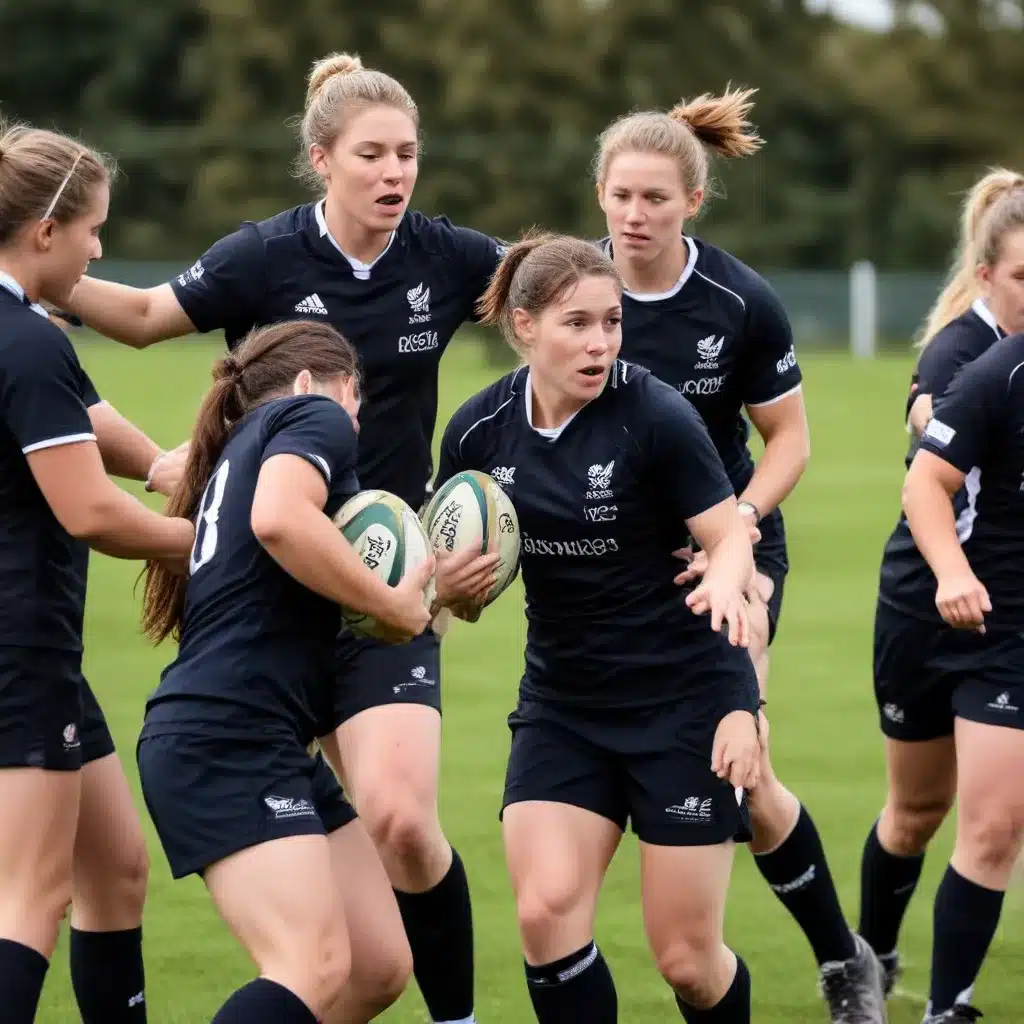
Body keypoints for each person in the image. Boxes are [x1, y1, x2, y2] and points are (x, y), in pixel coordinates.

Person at [57, 52, 504, 1024]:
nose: (395, 173)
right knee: (315, 953)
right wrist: (39, 278)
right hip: (281, 587)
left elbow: (556, 301)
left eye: (409, 155)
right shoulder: (266, 256)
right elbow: (139, 318)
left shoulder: (448, 255)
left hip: (390, 572)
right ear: (321, 158)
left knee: (398, 825)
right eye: (373, 154)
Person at [592, 90, 886, 1021]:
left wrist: (741, 529)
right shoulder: (575, 294)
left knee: (736, 756)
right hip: (615, 571)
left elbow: (789, 439)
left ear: (693, 200)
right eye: (620, 197)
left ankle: (838, 970)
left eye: (655, 199)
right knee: (752, 783)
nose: (636, 217)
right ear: (598, 195)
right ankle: (846, 958)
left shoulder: (737, 301)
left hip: (733, 560)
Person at [432, 231, 763, 1024]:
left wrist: (737, 674)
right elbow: (445, 580)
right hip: (563, 707)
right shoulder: (479, 431)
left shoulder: (654, 415)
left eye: (612, 322)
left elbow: (731, 539)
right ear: (523, 327)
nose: (600, 343)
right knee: (545, 915)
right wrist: (443, 596)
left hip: (685, 704)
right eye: (577, 324)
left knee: (687, 961)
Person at [136, 319, 447, 1024]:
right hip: (225, 736)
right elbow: (281, 519)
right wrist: (392, 609)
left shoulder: (239, 449)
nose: (355, 423)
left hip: (261, 736)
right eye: (356, 404)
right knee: (311, 964)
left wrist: (427, 587)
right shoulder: (312, 413)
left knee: (375, 965)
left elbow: (304, 551)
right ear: (316, 384)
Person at [0, 122, 196, 1024]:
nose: (99, 247)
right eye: (91, 229)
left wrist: (164, 464)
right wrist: (223, 538)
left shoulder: (26, 333)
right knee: (28, 900)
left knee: (113, 871)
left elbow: (82, 414)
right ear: (45, 231)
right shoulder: (27, 346)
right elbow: (89, 512)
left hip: (40, 660)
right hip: (19, 653)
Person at [859, 173, 1024, 1017]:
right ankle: (869, 959)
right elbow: (929, 425)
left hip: (1007, 620)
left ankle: (947, 1003)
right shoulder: (968, 352)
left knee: (992, 822)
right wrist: (944, 414)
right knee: (915, 810)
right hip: (926, 606)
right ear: (986, 273)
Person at [897, 317, 1024, 1023]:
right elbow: (925, 485)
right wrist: (951, 574)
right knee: (994, 826)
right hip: (1007, 629)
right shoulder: (1000, 373)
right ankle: (948, 1009)